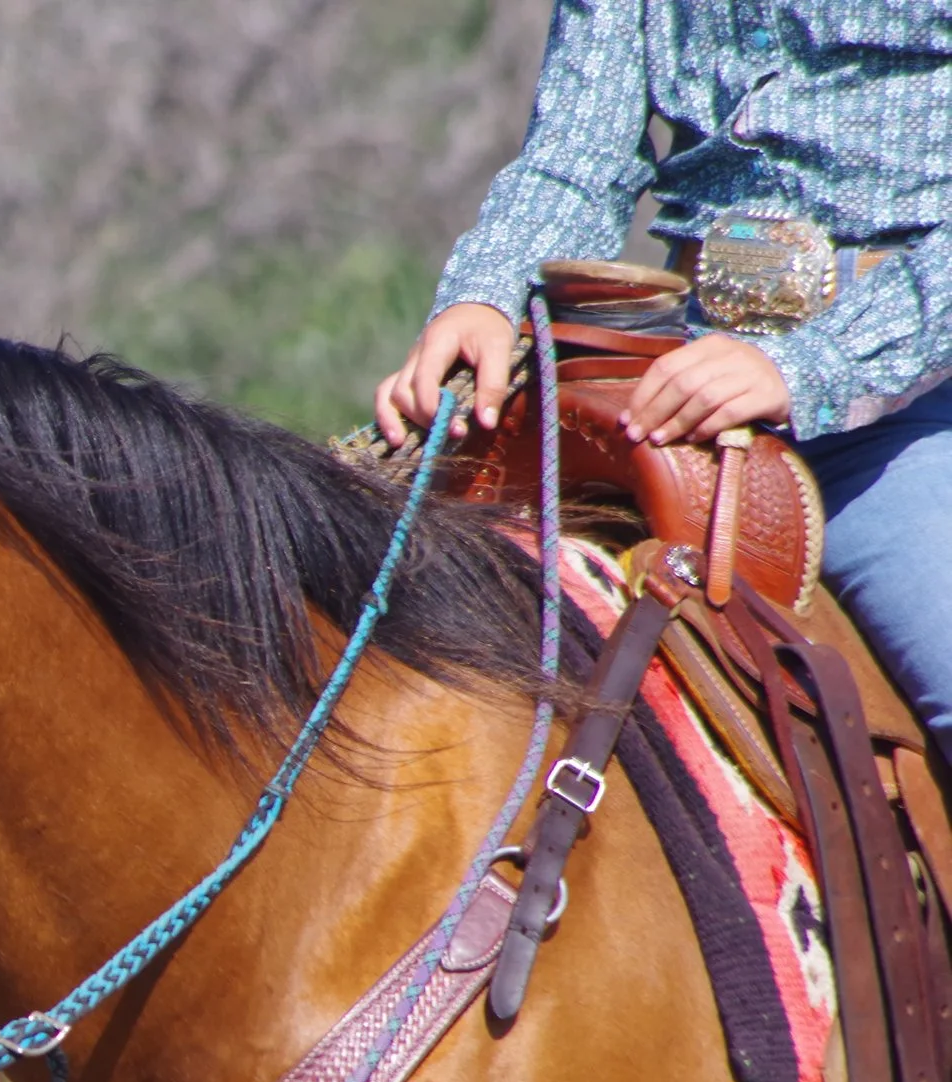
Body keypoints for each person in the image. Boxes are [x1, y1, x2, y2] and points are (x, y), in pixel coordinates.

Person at [374, 3, 952, 763]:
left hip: (906, 395)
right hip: (668, 373)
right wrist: (484, 295)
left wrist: (812, 362)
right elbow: (578, 152)